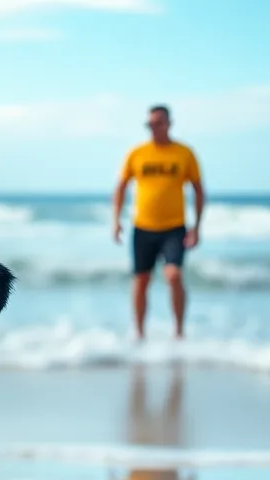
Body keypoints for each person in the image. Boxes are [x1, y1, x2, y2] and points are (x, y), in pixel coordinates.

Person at [112, 104, 205, 340]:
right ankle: (140, 335)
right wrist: (116, 220)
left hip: (174, 227)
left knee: (173, 276)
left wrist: (197, 226)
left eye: (158, 123)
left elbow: (198, 189)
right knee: (141, 280)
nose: (153, 127)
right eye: (149, 124)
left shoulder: (184, 153)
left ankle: (179, 332)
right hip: (143, 227)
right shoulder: (137, 153)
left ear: (168, 123)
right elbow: (121, 187)